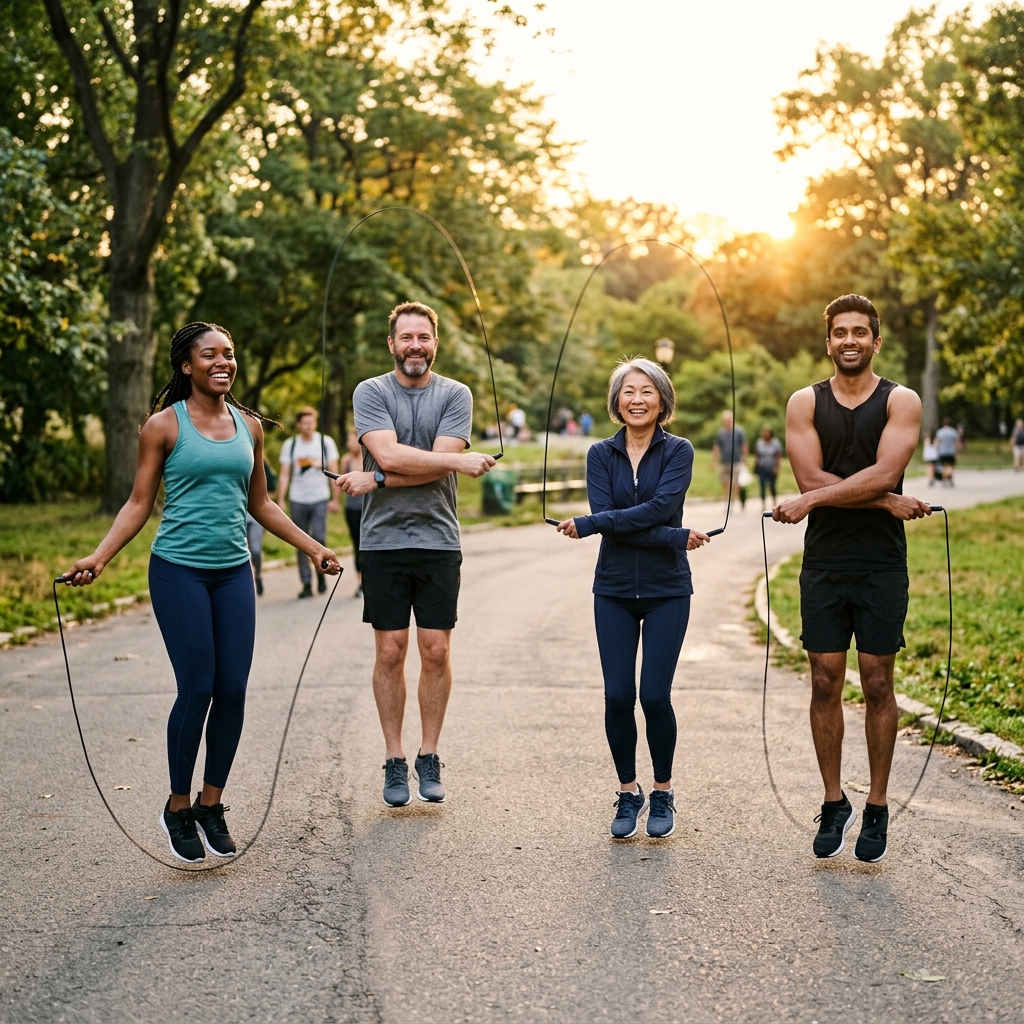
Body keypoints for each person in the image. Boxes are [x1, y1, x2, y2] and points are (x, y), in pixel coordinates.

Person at [62, 322, 341, 863]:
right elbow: (139, 503)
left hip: (233, 572)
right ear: (186, 366)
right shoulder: (163, 427)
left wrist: (312, 548)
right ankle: (178, 805)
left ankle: (211, 805)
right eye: (209, 354)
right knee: (198, 687)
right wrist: (98, 557)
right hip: (178, 572)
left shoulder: (250, 427)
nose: (223, 362)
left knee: (232, 689)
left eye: (229, 354)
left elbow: (261, 503)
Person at [772, 294, 931, 864]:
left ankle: (879, 804)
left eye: (860, 332)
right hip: (823, 564)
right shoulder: (804, 403)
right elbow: (808, 474)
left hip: (882, 564)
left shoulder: (901, 401)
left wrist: (823, 498)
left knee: (879, 682)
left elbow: (882, 471)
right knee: (823, 681)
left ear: (876, 342)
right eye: (840, 332)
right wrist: (885, 500)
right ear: (828, 341)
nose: (850, 340)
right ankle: (834, 799)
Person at [339, 301, 495, 808]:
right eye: (406, 338)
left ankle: (429, 754)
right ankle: (393, 758)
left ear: (435, 342)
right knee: (390, 652)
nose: (415, 346)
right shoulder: (371, 391)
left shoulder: (455, 394)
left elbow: (438, 465)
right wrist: (425, 465)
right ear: (392, 344)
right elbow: (392, 454)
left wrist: (383, 476)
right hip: (382, 539)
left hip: (438, 538)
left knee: (436, 650)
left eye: (423, 337)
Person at [555, 358, 710, 840]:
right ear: (616, 401)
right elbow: (619, 514)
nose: (637, 399)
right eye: (628, 391)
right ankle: (628, 791)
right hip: (615, 590)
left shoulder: (679, 450)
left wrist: (594, 524)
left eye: (646, 391)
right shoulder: (600, 454)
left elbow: (656, 507)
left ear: (662, 399)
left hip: (667, 591)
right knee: (619, 696)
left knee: (654, 695)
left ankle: (662, 791)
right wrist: (673, 535)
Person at [278, 407, 340, 598]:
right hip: (298, 498)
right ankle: (306, 583)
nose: (308, 426)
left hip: (319, 497)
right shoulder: (291, 444)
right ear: (298, 425)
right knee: (300, 542)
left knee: (319, 538)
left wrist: (335, 498)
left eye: (311, 422)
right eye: (304, 423)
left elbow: (333, 471)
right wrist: (281, 499)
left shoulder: (325, 442)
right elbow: (285, 473)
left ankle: (320, 572)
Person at [246, 460, 278, 595]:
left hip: (256, 517)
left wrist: (258, 499)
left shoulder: (262, 464)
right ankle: (247, 581)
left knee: (255, 549)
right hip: (237, 516)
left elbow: (272, 490)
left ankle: (258, 574)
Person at [341, 430, 364, 596]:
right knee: (357, 544)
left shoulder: (369, 459)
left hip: (368, 508)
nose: (349, 443)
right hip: (351, 508)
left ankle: (371, 579)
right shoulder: (346, 460)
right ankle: (360, 582)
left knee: (368, 545)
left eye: (351, 439)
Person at [711, 409, 747, 506]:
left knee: (736, 483)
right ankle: (727, 502)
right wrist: (713, 461)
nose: (727, 422)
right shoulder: (721, 433)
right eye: (725, 420)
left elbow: (744, 446)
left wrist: (744, 460)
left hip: (736, 461)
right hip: (725, 462)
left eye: (729, 420)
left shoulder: (739, 431)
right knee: (725, 483)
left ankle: (737, 500)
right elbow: (717, 447)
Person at [753, 424, 782, 510]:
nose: (766, 434)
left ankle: (774, 502)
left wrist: (777, 467)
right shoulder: (759, 443)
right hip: (762, 467)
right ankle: (763, 504)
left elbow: (778, 456)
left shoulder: (775, 443)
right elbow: (757, 455)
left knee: (772, 486)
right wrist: (755, 466)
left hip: (772, 467)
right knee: (762, 486)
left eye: (767, 432)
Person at [935, 416, 960, 487]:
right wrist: (956, 452)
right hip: (951, 452)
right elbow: (956, 443)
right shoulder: (953, 432)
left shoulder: (940, 432)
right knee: (951, 466)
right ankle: (950, 478)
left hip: (942, 452)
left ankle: (944, 480)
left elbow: (937, 443)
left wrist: (938, 450)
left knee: (943, 467)